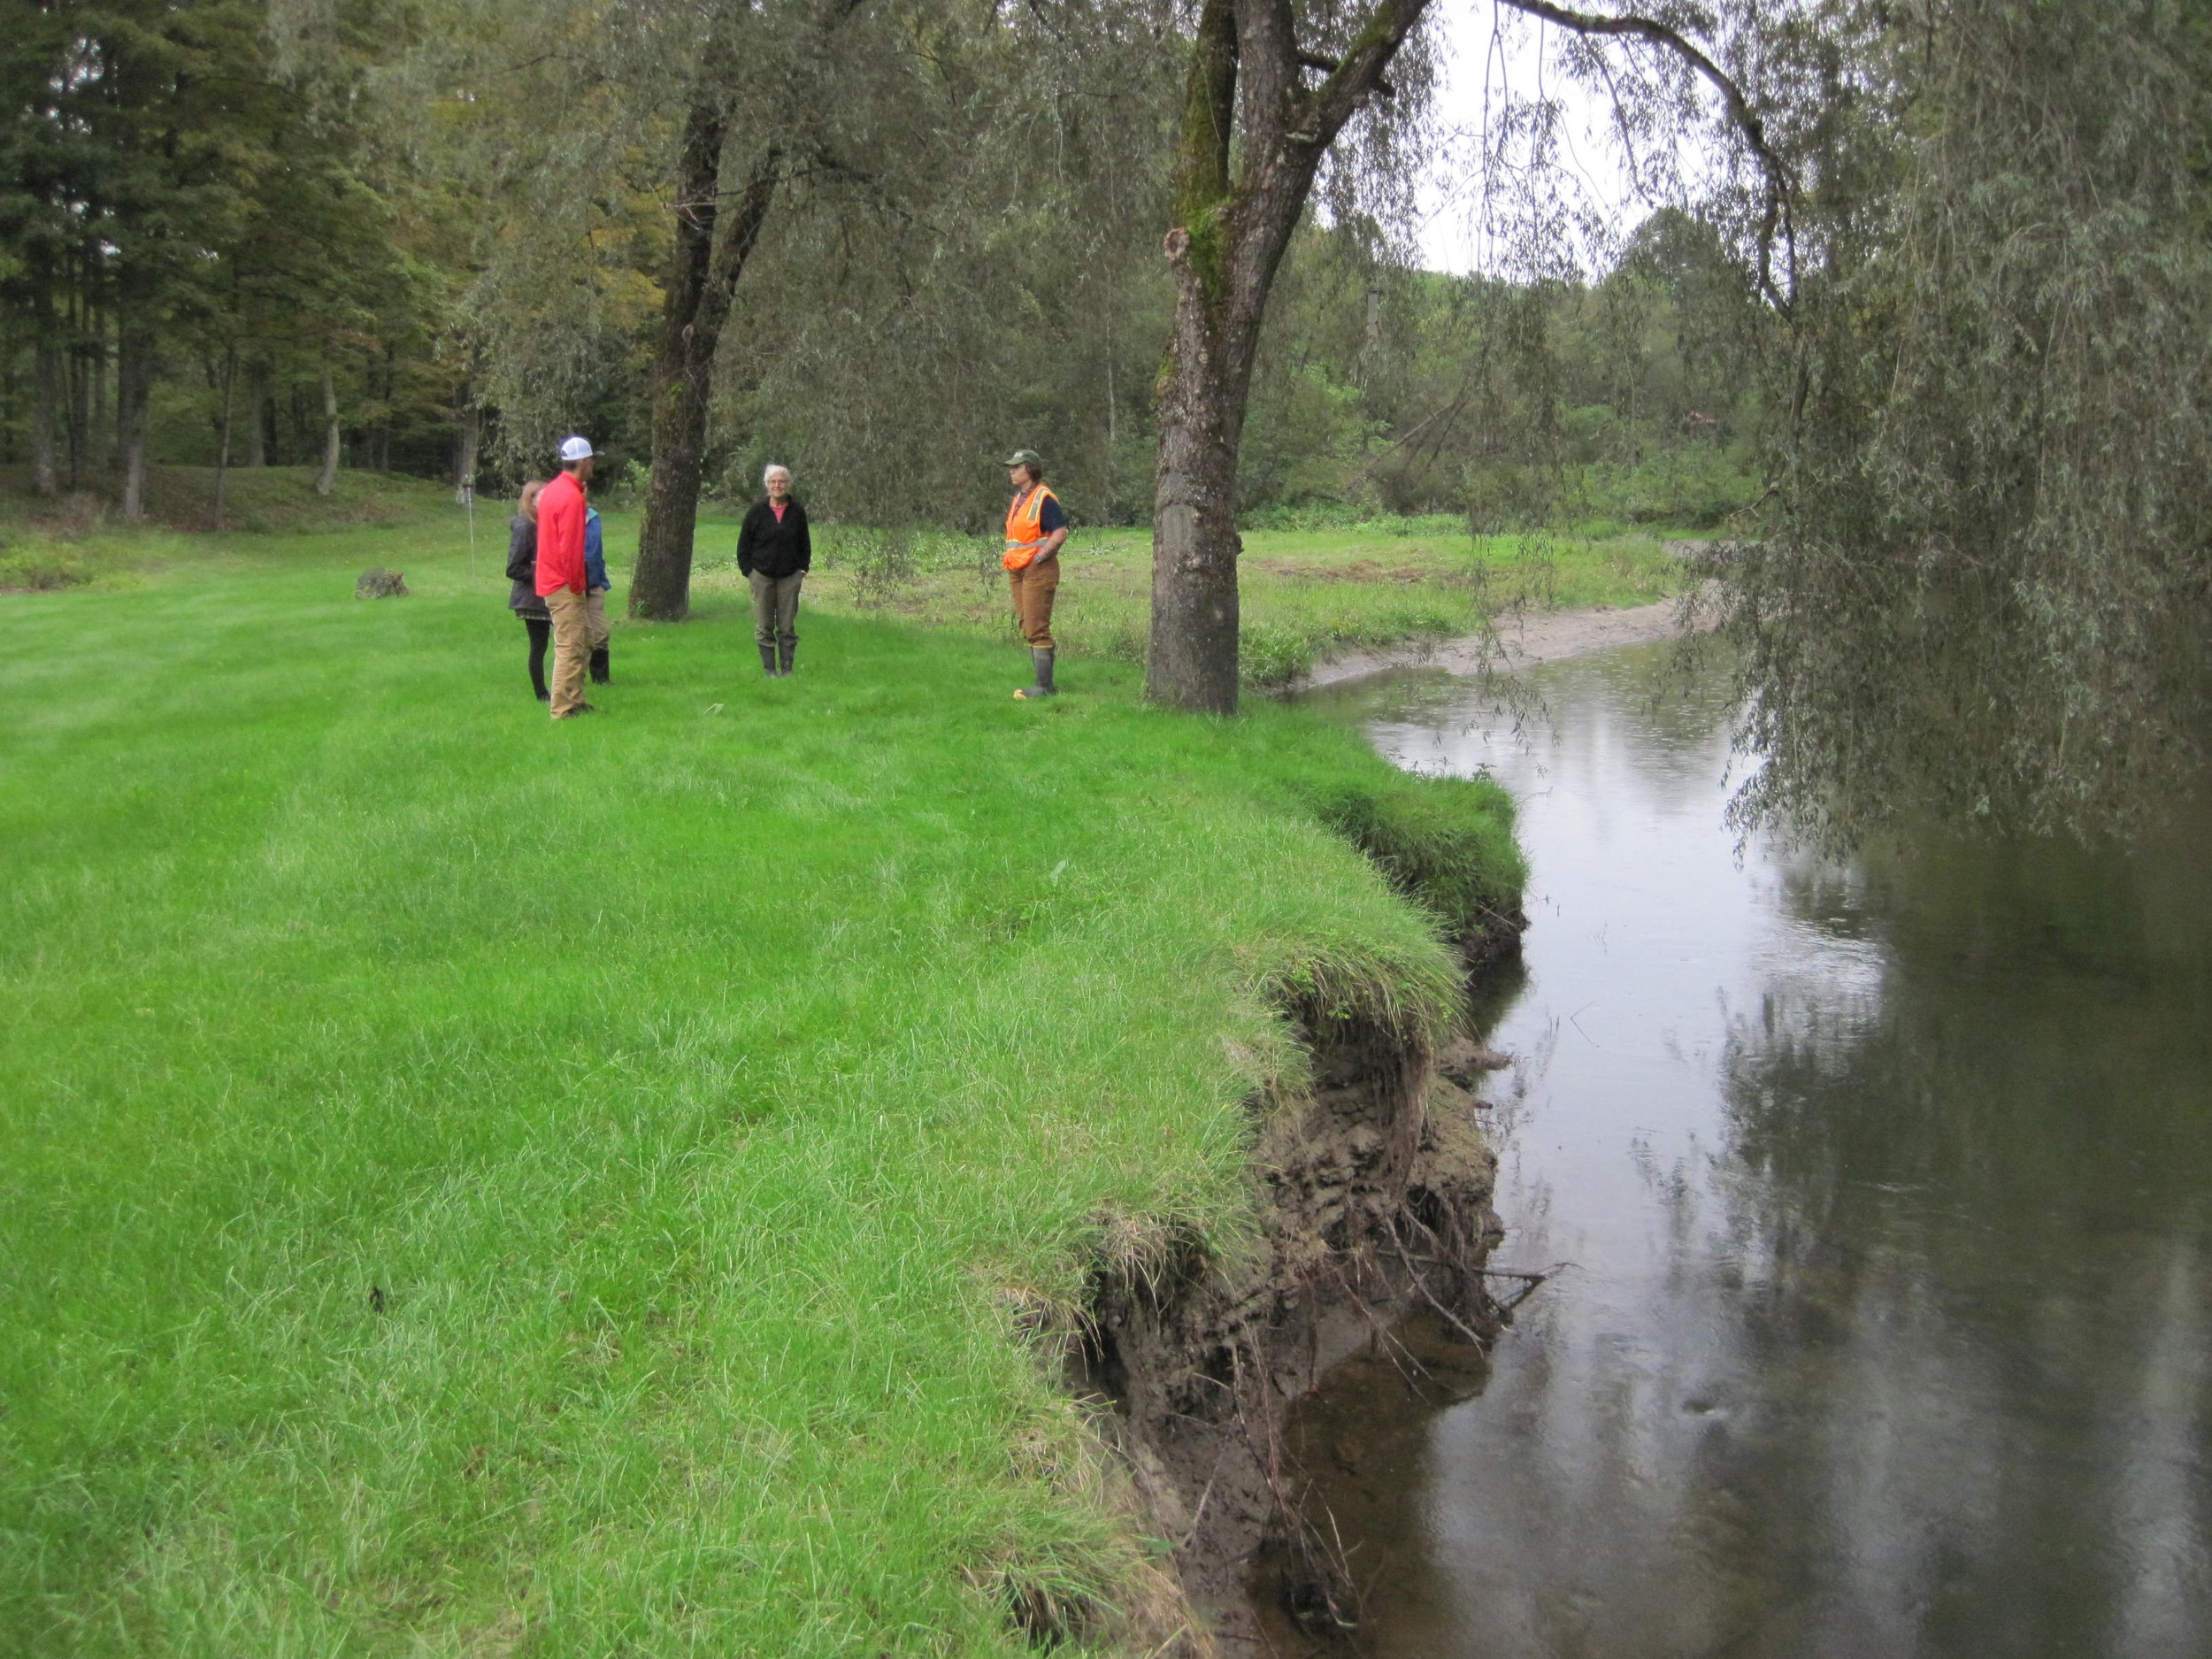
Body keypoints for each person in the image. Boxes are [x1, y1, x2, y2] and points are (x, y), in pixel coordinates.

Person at [534, 435, 597, 718]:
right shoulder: (571, 497)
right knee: (569, 645)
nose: (594, 464)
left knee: (580, 642)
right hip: (564, 582)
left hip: (551, 577)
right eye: (592, 460)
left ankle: (575, 699)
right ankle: (561, 707)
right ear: (583, 462)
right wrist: (576, 585)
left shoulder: (552, 490)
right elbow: (570, 548)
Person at [1000, 448, 1067, 699]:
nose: (1012, 471)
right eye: (1012, 467)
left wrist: (1039, 558)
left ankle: (1044, 687)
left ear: (1030, 469)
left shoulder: (1044, 498)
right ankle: (1042, 685)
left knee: (1037, 627)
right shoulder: (1019, 498)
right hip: (1017, 570)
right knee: (1027, 625)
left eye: (1017, 467)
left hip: (1037, 569)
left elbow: (1060, 533)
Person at [735, 463, 810, 677]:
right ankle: (770, 670)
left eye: (781, 481)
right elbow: (743, 546)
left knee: (786, 625)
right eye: (773, 482)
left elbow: (805, 544)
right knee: (764, 624)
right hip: (761, 576)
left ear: (788, 485)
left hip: (789, 577)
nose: (777, 485)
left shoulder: (797, 512)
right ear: (767, 485)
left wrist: (801, 571)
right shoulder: (756, 512)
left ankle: (787, 669)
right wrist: (749, 572)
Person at [507, 480, 552, 702]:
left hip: (546, 593)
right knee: (539, 645)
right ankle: (541, 692)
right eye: (542, 496)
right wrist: (541, 576)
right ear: (530, 500)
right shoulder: (525, 527)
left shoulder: (540, 525)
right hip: (532, 597)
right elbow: (514, 568)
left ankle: (563, 686)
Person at [584, 502, 613, 686]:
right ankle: (573, 683)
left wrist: (601, 581)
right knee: (575, 637)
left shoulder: (593, 518)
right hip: (570, 586)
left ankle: (601, 681)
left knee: (601, 634)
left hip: (594, 584)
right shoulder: (560, 516)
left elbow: (596, 553)